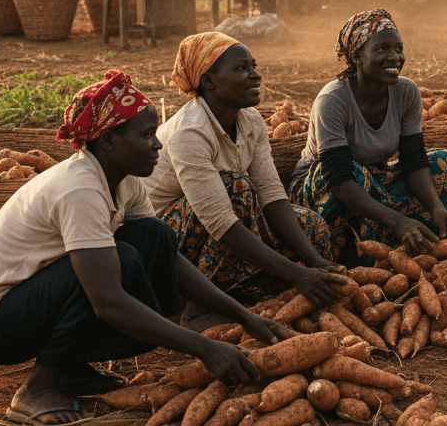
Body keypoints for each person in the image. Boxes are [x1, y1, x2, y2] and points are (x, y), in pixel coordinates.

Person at [0, 72, 290, 426]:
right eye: (147, 136)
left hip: (34, 299)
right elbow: (107, 301)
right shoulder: (79, 189)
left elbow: (168, 259)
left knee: (154, 235)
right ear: (109, 139)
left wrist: (244, 316)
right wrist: (205, 348)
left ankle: (68, 367)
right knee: (114, 265)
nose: (158, 146)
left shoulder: (125, 178)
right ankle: (36, 388)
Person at [145, 33, 345, 325]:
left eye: (253, 66)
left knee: (311, 226)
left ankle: (254, 294)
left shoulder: (251, 121)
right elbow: (220, 222)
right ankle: (198, 305)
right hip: (167, 245)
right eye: (241, 69)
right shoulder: (189, 132)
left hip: (221, 223)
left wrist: (311, 260)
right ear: (209, 80)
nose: (256, 75)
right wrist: (296, 273)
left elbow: (272, 194)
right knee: (237, 189)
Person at [290, 9, 447, 264]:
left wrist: (436, 207)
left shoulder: (406, 92)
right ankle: (361, 252)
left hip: (375, 178)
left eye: (399, 49)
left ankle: (408, 237)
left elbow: (413, 159)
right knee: (357, 175)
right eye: (382, 49)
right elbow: (339, 179)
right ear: (356, 56)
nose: (395, 57)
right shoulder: (333, 100)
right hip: (324, 187)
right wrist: (397, 220)